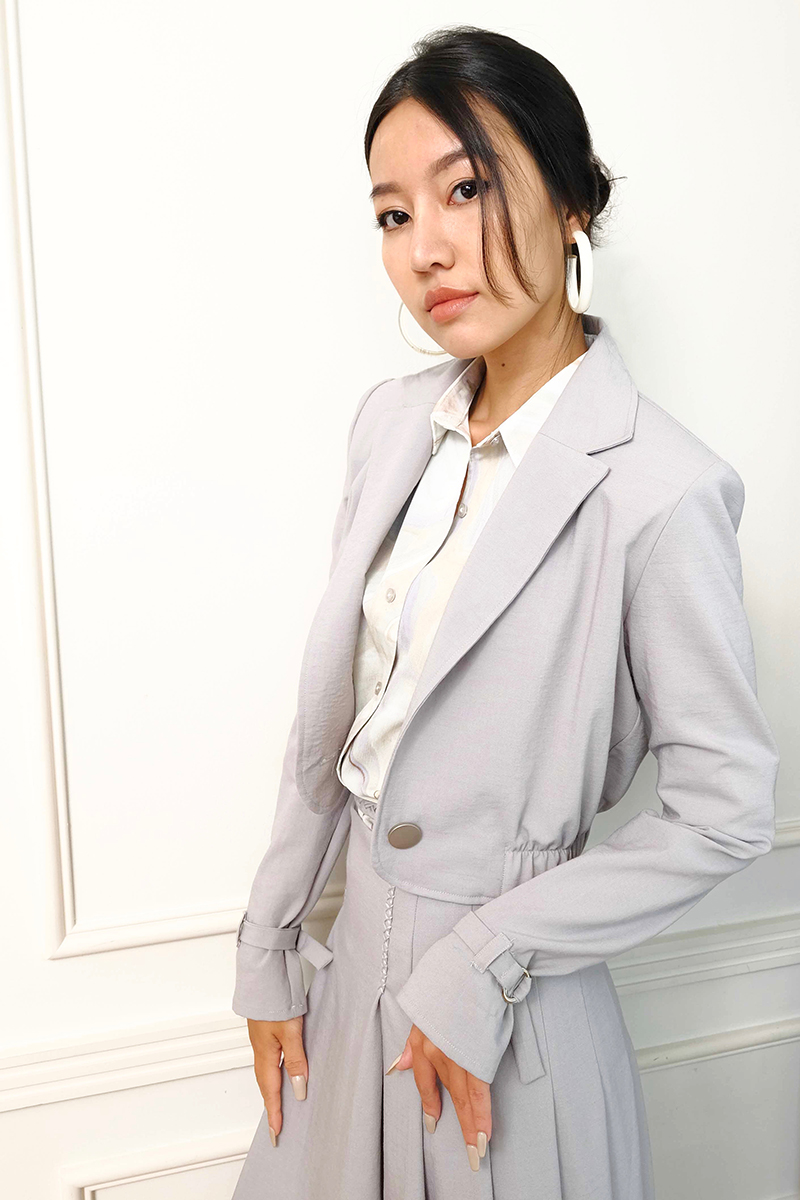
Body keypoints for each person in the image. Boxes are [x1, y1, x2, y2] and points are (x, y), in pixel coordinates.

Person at [230, 25, 780, 1200]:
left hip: (508, 1028)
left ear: (572, 200)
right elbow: (331, 734)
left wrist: (484, 957)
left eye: (465, 189)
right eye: (391, 215)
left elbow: (724, 811)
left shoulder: (661, 489)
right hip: (339, 995)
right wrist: (267, 946)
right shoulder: (389, 427)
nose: (425, 248)